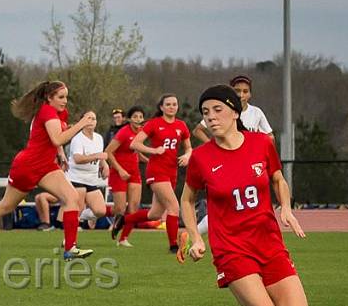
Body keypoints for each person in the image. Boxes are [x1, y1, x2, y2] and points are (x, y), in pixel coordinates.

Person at [181, 85, 308, 306]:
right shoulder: (201, 157)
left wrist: (286, 210)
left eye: (217, 110)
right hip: (232, 250)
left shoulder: (261, 144)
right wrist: (197, 237)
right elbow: (187, 199)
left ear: (235, 112)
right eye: (205, 112)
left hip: (269, 244)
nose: (210, 117)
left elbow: (278, 178)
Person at [0, 81, 94, 261]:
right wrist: (80, 125)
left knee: (72, 198)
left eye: (66, 97)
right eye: (61, 97)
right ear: (49, 98)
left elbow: (54, 140)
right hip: (28, 166)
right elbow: (57, 139)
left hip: (46, 166)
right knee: (5, 207)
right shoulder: (46, 111)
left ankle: (70, 248)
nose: (65, 101)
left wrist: (61, 154)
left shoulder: (60, 112)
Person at [189, 75, 273, 240]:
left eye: (245, 91)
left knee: (244, 206)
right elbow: (197, 129)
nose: (241, 95)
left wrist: (262, 152)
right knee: (230, 205)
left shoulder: (256, 113)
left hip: (249, 162)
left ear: (250, 94)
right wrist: (213, 148)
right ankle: (196, 234)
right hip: (228, 162)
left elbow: (269, 136)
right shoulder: (220, 109)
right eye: (237, 91)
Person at [112, 94, 192, 252]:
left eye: (174, 104)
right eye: (168, 104)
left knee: (154, 214)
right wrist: (153, 150)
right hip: (157, 171)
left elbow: (188, 147)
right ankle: (173, 246)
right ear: (161, 107)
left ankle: (123, 220)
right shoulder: (154, 124)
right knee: (174, 207)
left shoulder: (181, 125)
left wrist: (187, 155)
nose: (171, 107)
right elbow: (135, 144)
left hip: (172, 172)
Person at [34, 110, 109, 244]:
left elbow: (100, 155)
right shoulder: (77, 138)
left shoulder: (98, 137)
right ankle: (68, 240)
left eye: (94, 118)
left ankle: (83, 217)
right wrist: (97, 157)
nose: (92, 121)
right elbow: (78, 159)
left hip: (91, 179)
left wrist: (104, 164)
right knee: (76, 210)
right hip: (77, 178)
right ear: (82, 121)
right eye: (88, 118)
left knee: (100, 211)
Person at [104, 106, 146, 247]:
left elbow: (137, 152)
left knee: (134, 208)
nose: (138, 120)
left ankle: (123, 239)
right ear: (129, 119)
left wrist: (149, 160)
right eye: (135, 117)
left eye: (140, 117)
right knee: (120, 209)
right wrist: (120, 170)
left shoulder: (141, 133)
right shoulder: (123, 132)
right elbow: (108, 152)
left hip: (134, 172)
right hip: (118, 172)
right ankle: (95, 211)